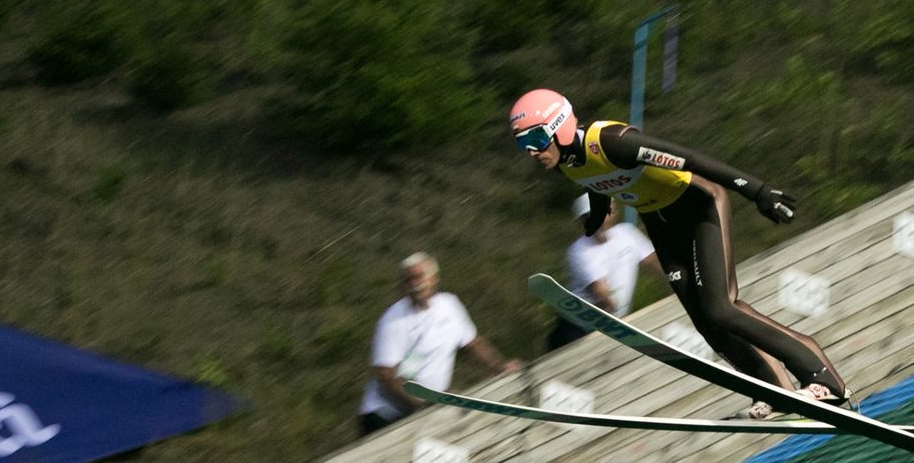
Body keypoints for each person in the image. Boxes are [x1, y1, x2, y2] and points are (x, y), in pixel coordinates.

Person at [508, 89, 851, 419]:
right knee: (706, 321)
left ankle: (822, 378)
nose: (531, 151)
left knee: (720, 307)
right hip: (661, 224)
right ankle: (773, 387)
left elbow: (691, 159)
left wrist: (757, 190)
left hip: (698, 208)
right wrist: (598, 211)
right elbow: (595, 179)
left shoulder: (614, 142)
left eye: (535, 139)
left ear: (559, 127)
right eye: (522, 144)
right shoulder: (566, 161)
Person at [358, 252, 520, 435]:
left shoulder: (449, 305)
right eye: (407, 281)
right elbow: (385, 375)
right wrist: (421, 405)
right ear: (401, 286)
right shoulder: (392, 321)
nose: (414, 285)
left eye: (419, 277)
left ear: (434, 278)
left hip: (427, 413)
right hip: (385, 416)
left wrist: (498, 367)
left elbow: (473, 342)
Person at [547, 194, 664, 351]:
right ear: (581, 223)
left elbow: (656, 263)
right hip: (575, 331)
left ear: (612, 213)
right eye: (588, 218)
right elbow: (600, 292)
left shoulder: (627, 233)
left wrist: (681, 288)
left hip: (613, 326)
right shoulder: (579, 251)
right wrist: (622, 323)